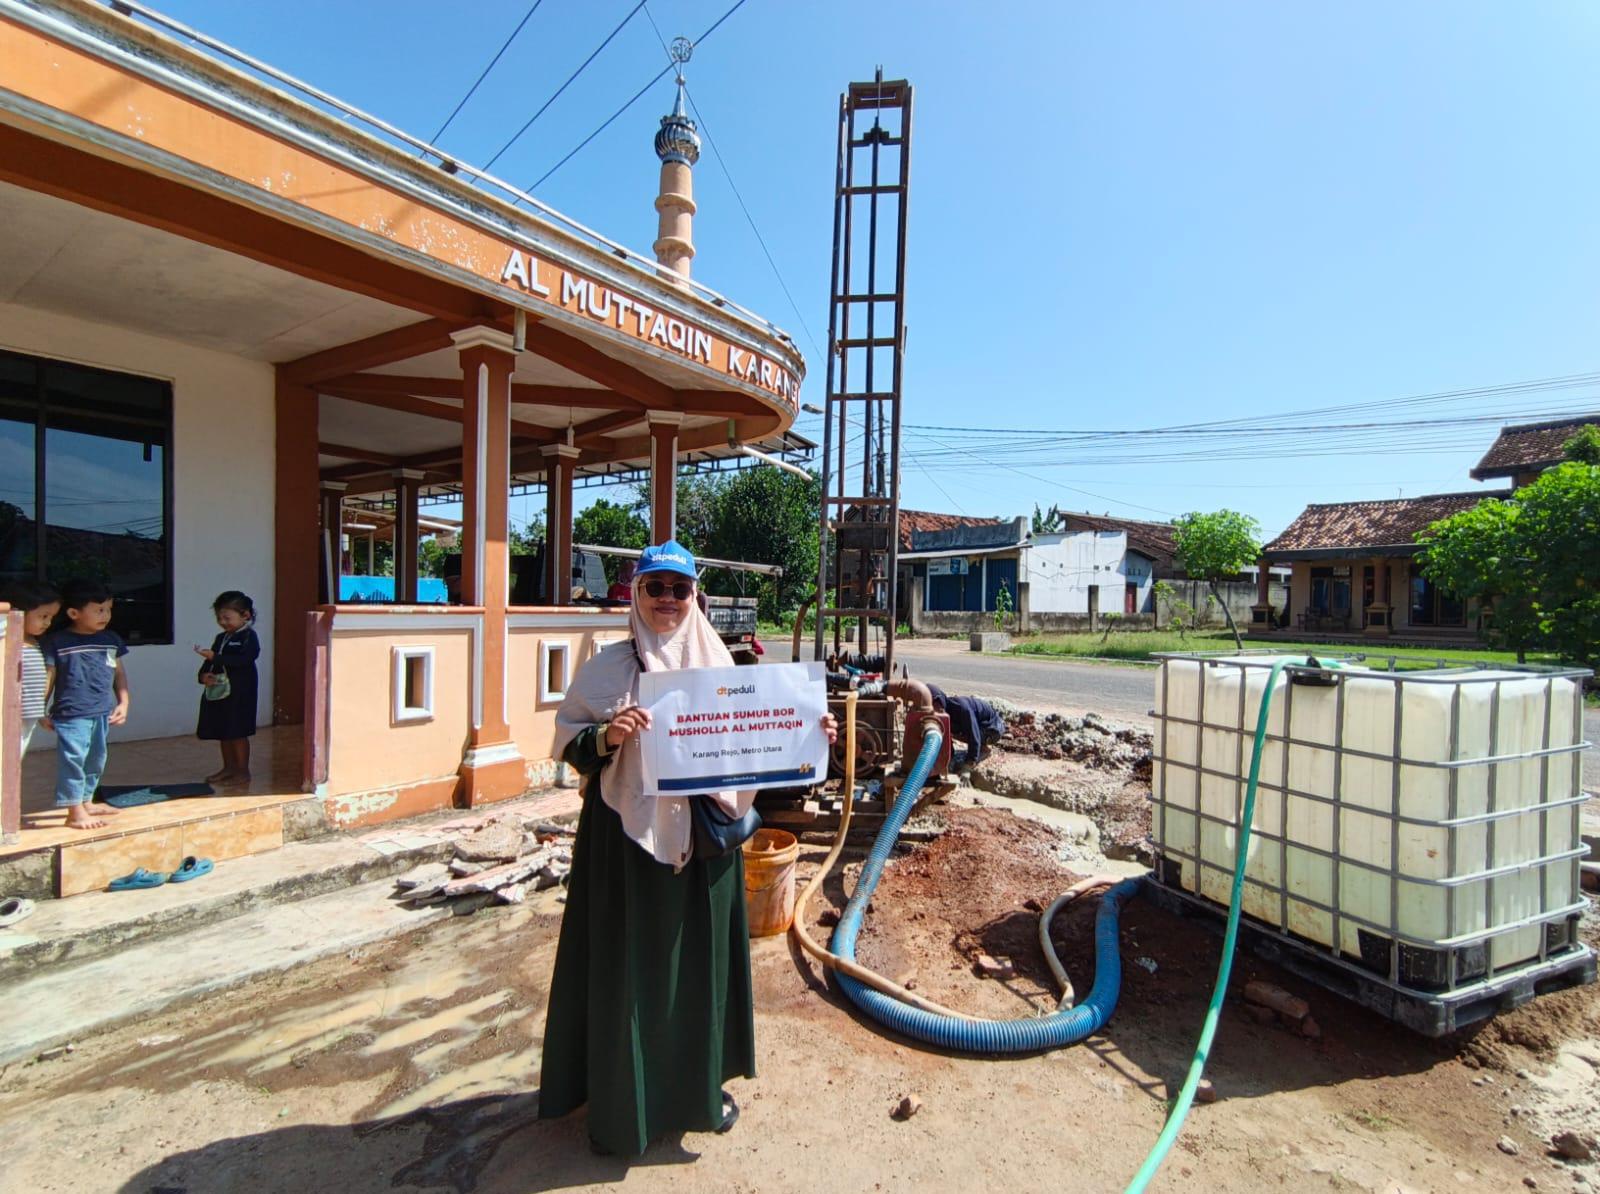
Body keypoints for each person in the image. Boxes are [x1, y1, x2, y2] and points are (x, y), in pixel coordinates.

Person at [540, 539, 835, 1157]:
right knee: (629, 973)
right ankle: (623, 1109)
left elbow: (763, 749)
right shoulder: (606, 668)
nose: (668, 599)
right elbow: (569, 745)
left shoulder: (722, 669)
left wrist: (810, 733)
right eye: (656, 587)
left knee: (700, 974)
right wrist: (607, 735)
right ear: (637, 594)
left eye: (679, 588)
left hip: (705, 846)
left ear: (694, 595)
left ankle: (696, 1095)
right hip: (626, 844)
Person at [40, 579, 130, 830]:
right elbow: (49, 677)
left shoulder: (111, 639)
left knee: (96, 759)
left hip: (101, 711)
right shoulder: (57, 641)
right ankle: (74, 811)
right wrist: (40, 709)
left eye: (108, 609)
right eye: (99, 610)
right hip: (71, 713)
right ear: (73, 613)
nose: (106, 615)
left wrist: (123, 702)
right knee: (74, 759)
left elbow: (119, 674)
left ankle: (87, 800)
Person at [194, 590, 261, 785]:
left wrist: (216, 657)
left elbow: (245, 660)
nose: (223, 622)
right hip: (220, 691)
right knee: (224, 730)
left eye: (227, 618)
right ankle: (228, 768)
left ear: (245, 615)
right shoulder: (221, 638)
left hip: (241, 691)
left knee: (238, 731)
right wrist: (203, 676)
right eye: (219, 618)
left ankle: (242, 771)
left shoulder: (249, 637)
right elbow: (210, 662)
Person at [1, 581, 60, 758]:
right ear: (19, 612)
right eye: (43, 616)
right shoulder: (6, 639)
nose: (48, 622)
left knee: (14, 758)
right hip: (9, 714)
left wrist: (41, 713)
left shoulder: (34, 642)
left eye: (51, 617)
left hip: (29, 715)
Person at [927, 683, 1006, 766]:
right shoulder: (945, 712)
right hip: (981, 726)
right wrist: (949, 756)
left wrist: (970, 762)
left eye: (936, 703)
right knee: (947, 729)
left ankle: (983, 750)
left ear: (941, 699)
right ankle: (979, 748)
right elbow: (946, 736)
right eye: (932, 705)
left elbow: (973, 732)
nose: (936, 709)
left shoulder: (961, 708)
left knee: (965, 731)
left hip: (993, 729)